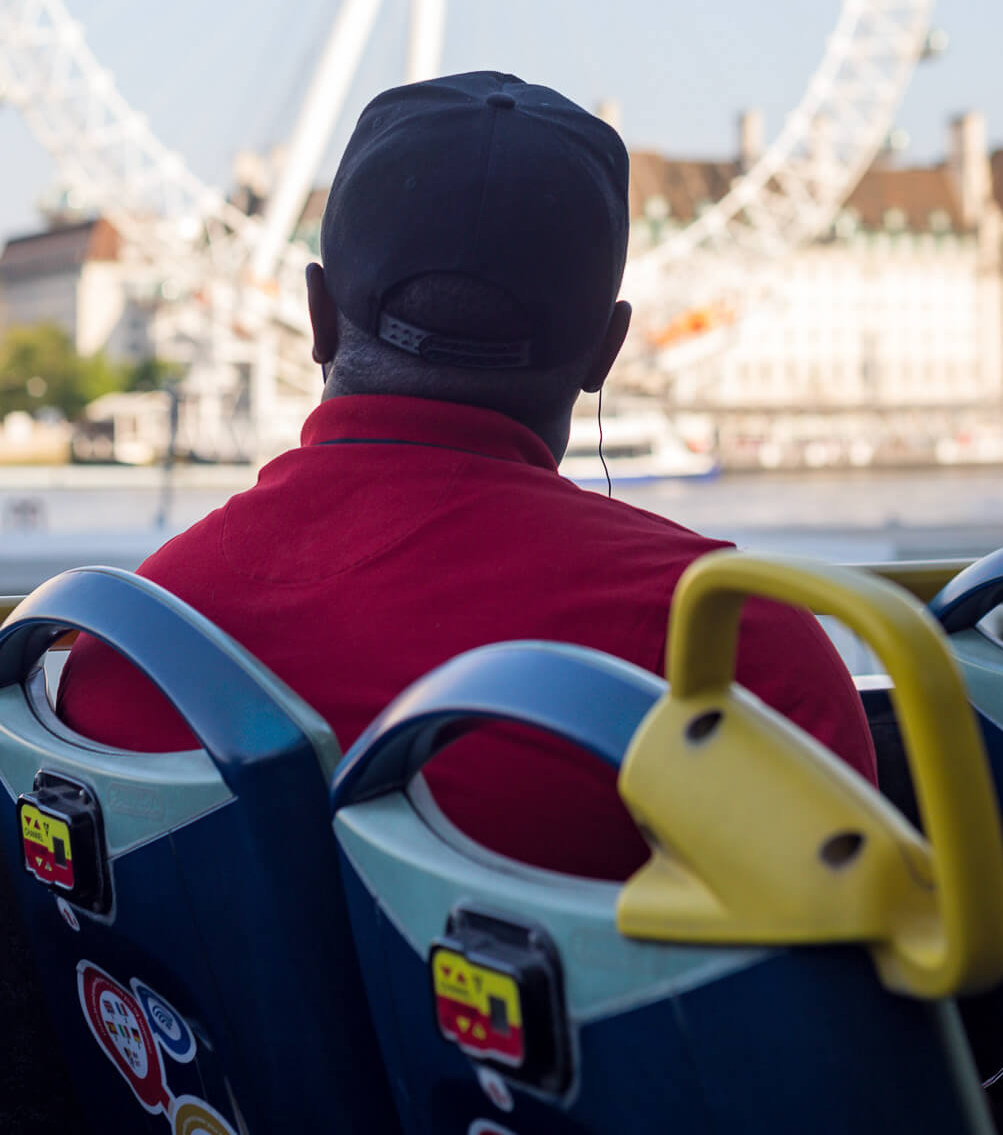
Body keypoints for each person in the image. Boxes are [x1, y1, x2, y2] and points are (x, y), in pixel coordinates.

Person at [59, 70, 875, 878]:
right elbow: (846, 980)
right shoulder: (724, 640)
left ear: (314, 316)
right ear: (607, 349)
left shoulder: (125, 639)